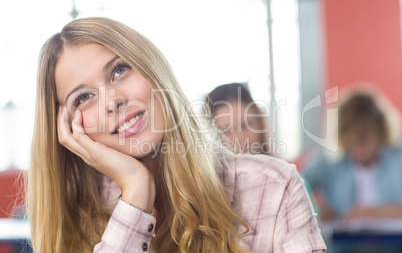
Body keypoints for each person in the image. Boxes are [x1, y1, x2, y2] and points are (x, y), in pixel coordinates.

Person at [28, 17, 326, 252]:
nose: (112, 100)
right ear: (66, 127)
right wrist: (135, 192)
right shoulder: (76, 213)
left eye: (119, 70)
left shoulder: (272, 188)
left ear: (153, 68)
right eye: (83, 98)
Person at [303, 88, 402, 221]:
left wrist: (372, 213)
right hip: (343, 242)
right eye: (352, 142)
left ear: (380, 131)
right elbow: (296, 185)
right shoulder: (329, 162)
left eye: (364, 139)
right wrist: (315, 210)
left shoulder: (397, 159)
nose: (359, 149)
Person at [205, 83, 269, 155]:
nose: (239, 138)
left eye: (245, 125)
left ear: (259, 121)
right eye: (226, 131)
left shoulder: (282, 165)